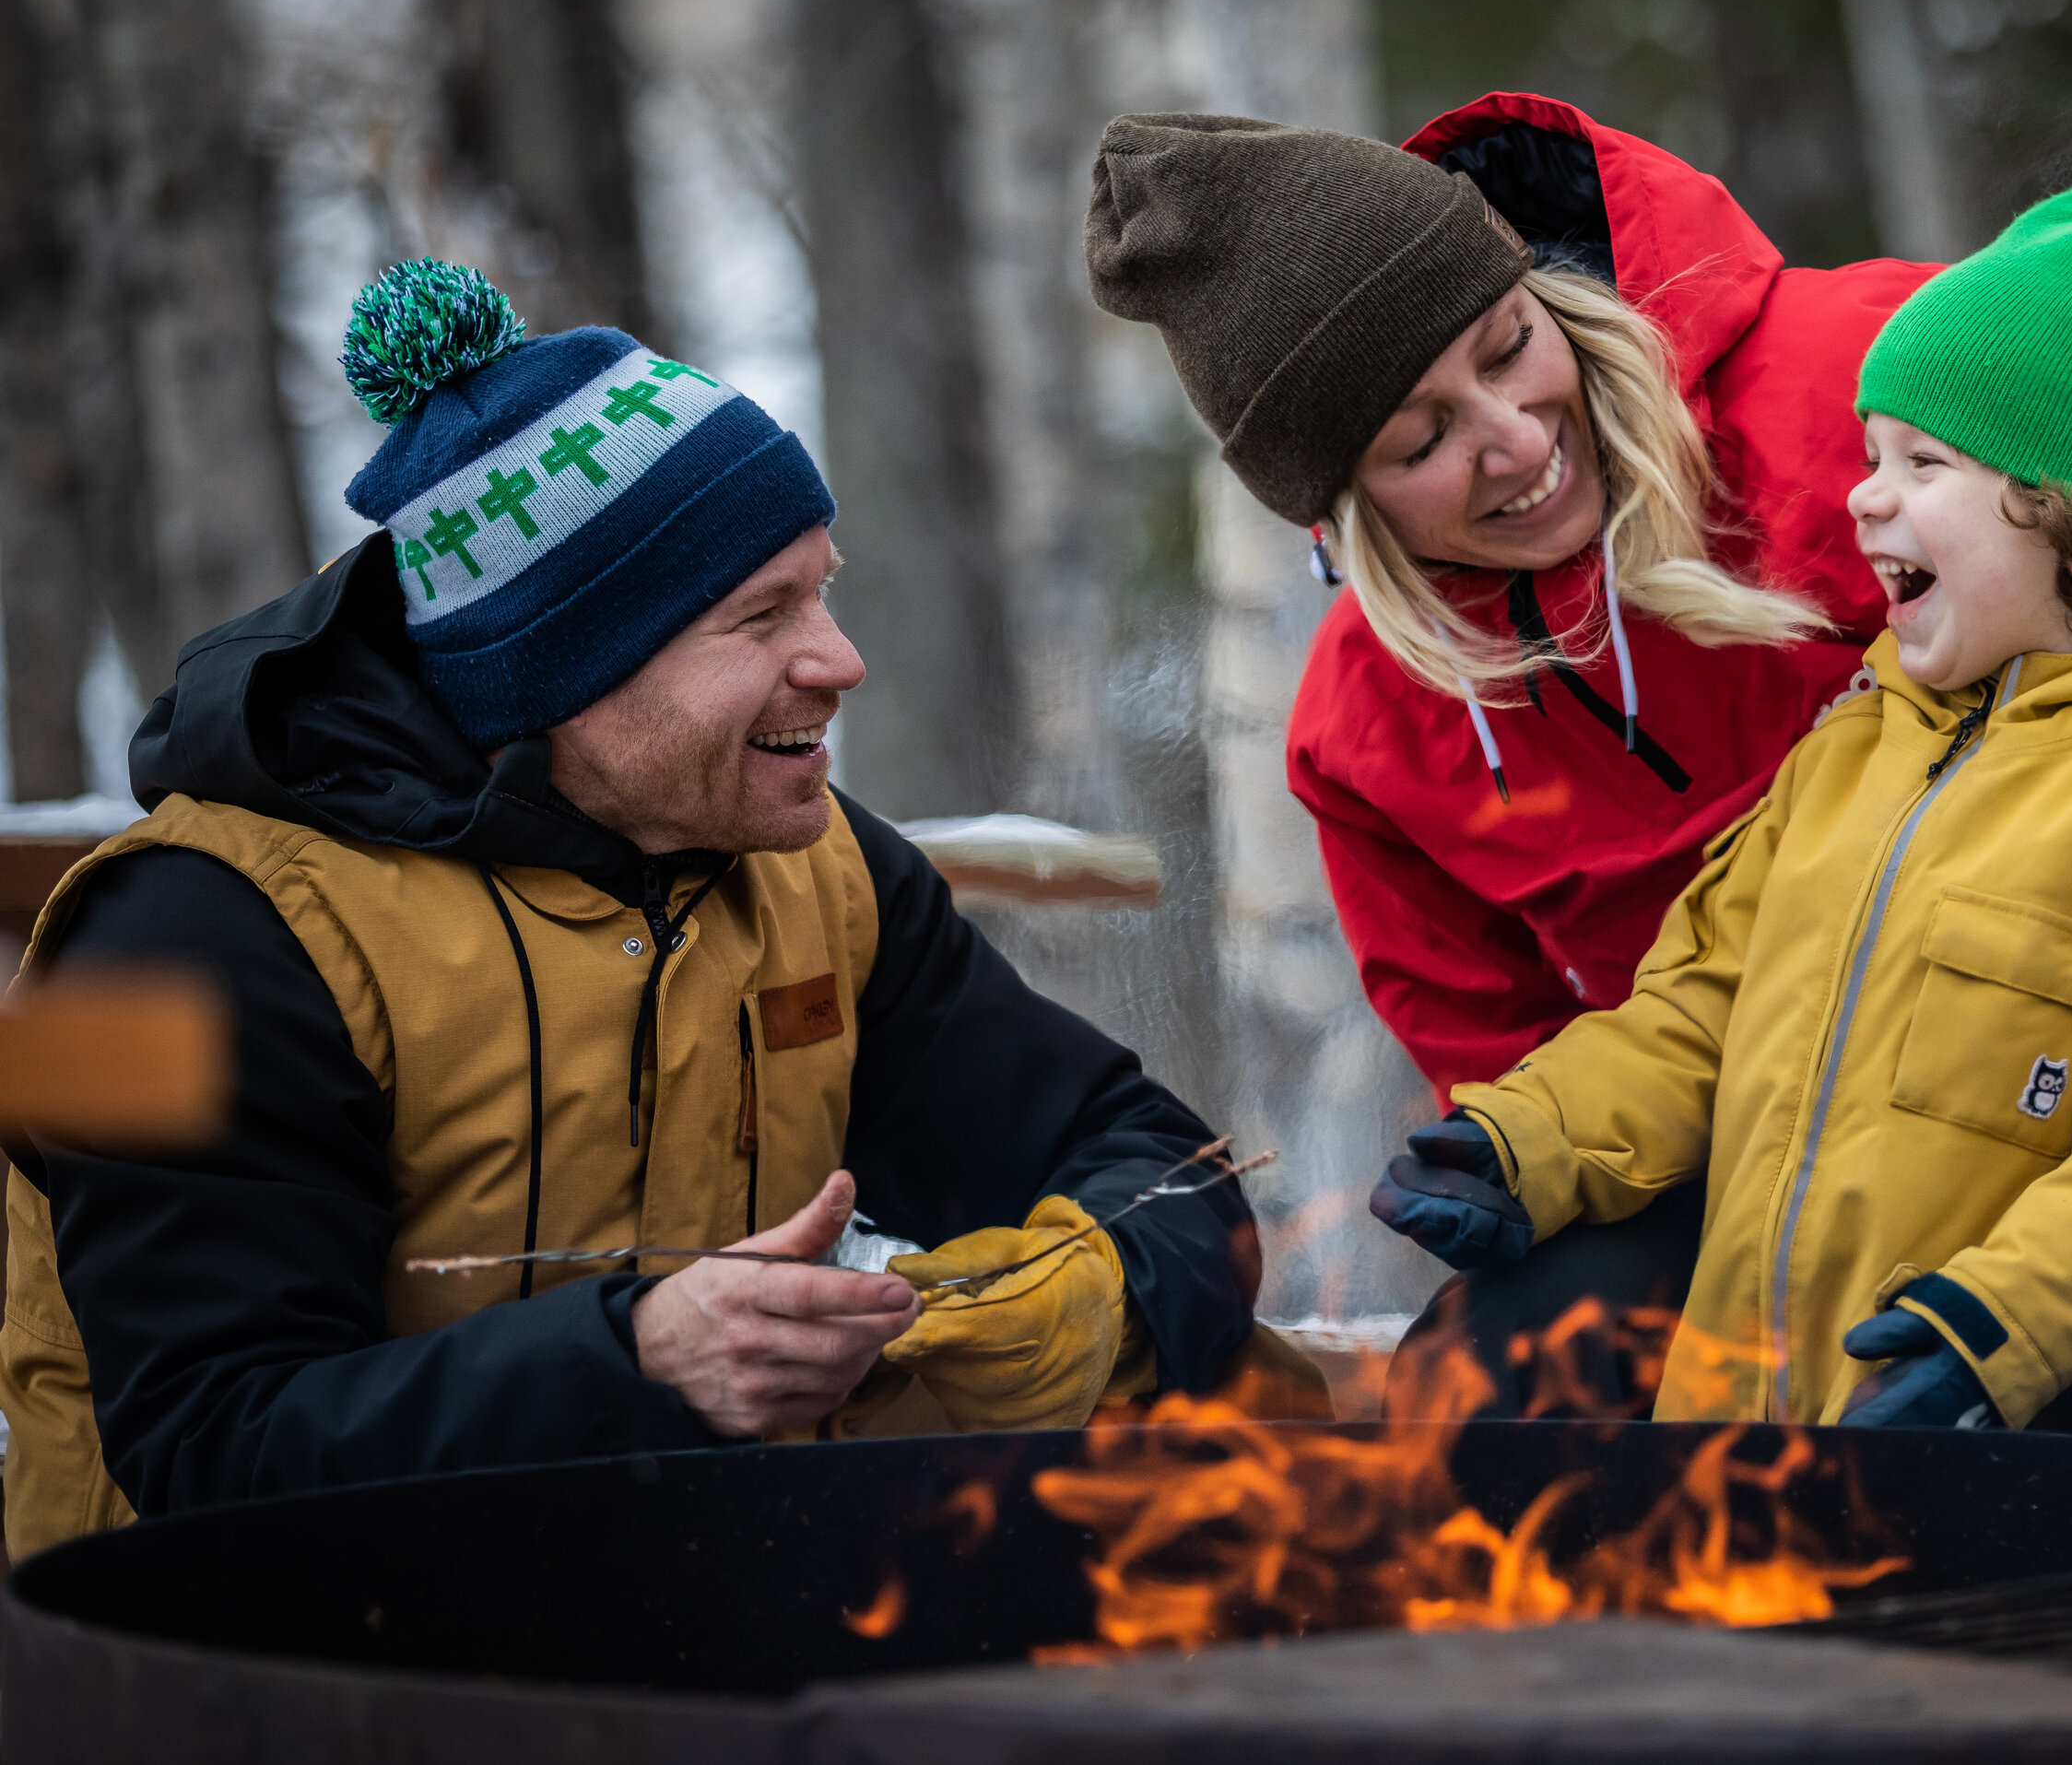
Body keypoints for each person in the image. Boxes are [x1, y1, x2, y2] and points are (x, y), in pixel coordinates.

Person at [1087, 97, 2072, 1448]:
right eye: (1422, 439)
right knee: (1501, 1381)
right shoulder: (1374, 732)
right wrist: (1517, 1155)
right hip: (1803, 1130)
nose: (1517, 439)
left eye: (1510, 345)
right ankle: (1618, 1693)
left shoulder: (1901, 390)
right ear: (1341, 508)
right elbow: (1591, 1048)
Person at [0, 262, 1261, 1562]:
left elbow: (1161, 1163)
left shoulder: (814, 872)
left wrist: (1085, 1291)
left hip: (670, 1647)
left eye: (823, 589)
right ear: (566, 667)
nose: (840, 660)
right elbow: (211, 1446)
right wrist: (638, 1358)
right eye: (761, 615)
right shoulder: (188, 937)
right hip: (224, 1697)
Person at [1368, 159, 2072, 1430]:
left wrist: (2000, 1323)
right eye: (1870, 450)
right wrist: (1529, 1142)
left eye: (1923, 463)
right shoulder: (1854, 751)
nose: (1861, 492)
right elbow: (1696, 1007)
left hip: (1975, 1402)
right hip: (1742, 1428)